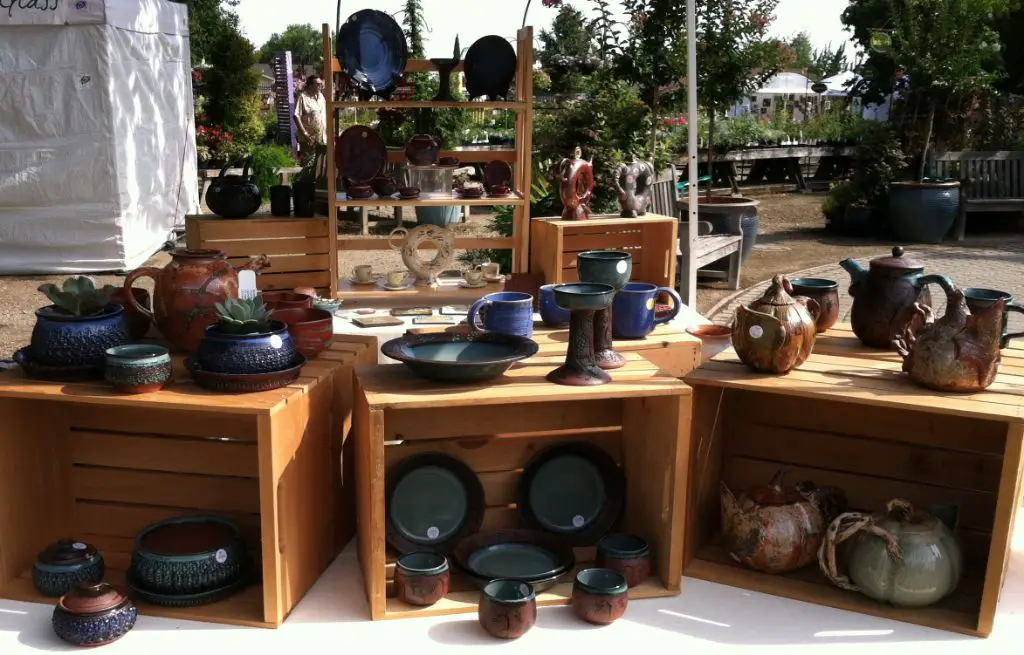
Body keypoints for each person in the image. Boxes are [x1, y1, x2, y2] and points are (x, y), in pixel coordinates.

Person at [293, 75, 326, 160]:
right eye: (318, 84)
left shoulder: (321, 97)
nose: (321, 85)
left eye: (321, 83)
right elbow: (296, 116)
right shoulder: (303, 97)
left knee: (320, 164)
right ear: (310, 85)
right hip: (308, 139)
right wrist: (305, 134)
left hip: (322, 137)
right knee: (308, 164)